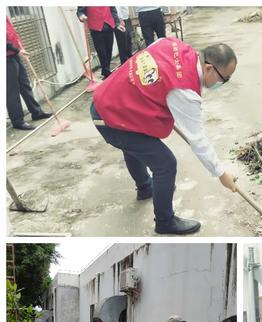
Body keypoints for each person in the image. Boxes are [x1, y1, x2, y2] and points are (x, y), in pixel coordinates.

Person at [91, 39, 237, 235]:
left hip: (108, 99)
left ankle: (145, 188)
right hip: (111, 117)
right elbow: (198, 140)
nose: (222, 84)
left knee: (137, 144)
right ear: (209, 68)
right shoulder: (185, 90)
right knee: (165, 164)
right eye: (223, 79)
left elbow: (151, 60)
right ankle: (165, 221)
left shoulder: (173, 44)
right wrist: (221, 174)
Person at [6, 16, 52, 130]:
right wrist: (17, 50)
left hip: (14, 55)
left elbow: (11, 33)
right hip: (6, 58)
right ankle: (18, 121)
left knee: (25, 85)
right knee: (12, 91)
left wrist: (19, 46)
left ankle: (36, 112)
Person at [76, 7, 125, 79]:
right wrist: (81, 16)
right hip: (96, 28)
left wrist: (117, 24)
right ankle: (106, 71)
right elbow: (80, 11)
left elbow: (113, 10)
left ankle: (106, 70)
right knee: (101, 51)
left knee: (109, 49)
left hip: (109, 25)